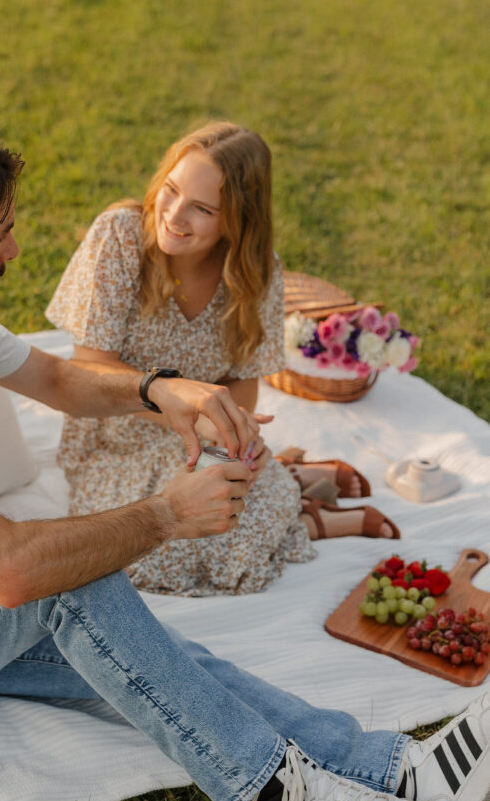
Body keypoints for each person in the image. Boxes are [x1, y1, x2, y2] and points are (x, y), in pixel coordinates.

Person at [0, 120, 487, 801]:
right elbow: (4, 570)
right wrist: (167, 514)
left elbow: (59, 380)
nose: (14, 252)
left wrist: (163, 390)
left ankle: (389, 767)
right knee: (67, 579)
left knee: (157, 658)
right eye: (1, 234)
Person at [46, 122, 399, 596]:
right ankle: (306, 512)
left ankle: (293, 490)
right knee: (153, 549)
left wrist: (236, 432)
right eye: (170, 190)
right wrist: (196, 419)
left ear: (237, 219)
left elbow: (243, 381)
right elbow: (89, 368)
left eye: (202, 209)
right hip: (119, 430)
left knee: (240, 494)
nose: (173, 215)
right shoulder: (120, 237)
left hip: (206, 432)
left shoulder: (257, 272)